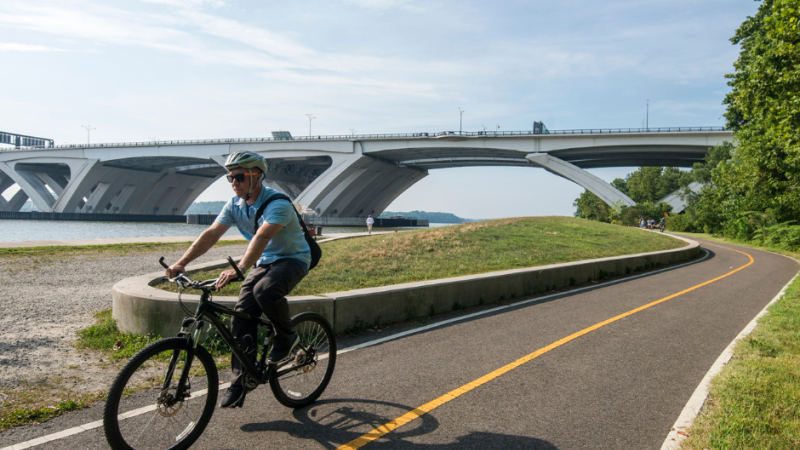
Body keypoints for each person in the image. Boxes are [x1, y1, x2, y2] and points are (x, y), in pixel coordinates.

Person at [165, 151, 311, 409]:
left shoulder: (278, 203)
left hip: (292, 259)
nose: (234, 182)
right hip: (264, 261)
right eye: (229, 177)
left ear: (256, 176)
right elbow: (211, 234)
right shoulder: (235, 204)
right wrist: (181, 263)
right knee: (240, 314)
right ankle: (241, 380)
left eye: (239, 177)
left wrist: (241, 267)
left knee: (265, 291)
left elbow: (263, 236)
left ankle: (287, 336)